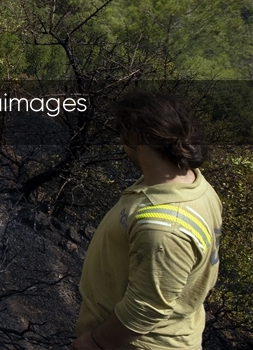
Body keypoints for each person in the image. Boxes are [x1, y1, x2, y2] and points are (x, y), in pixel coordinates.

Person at [73, 92, 222, 350]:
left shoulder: (164, 227)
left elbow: (145, 309)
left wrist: (95, 341)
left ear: (135, 139)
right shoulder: (194, 184)